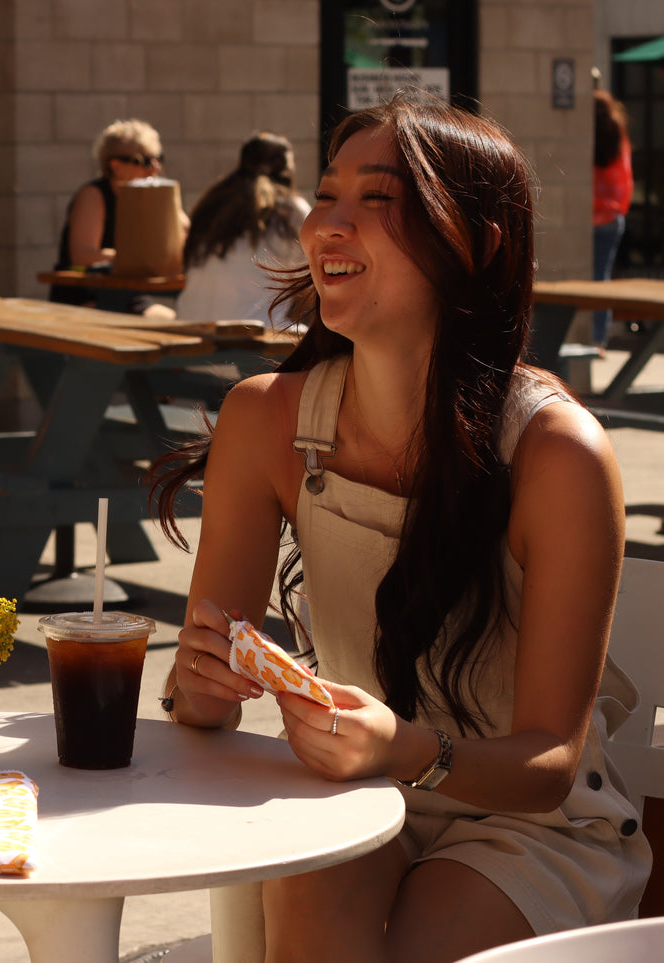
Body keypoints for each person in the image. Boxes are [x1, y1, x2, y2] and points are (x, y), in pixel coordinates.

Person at [150, 92, 649, 962]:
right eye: (327, 193)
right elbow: (202, 702)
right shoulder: (263, 421)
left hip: (530, 823)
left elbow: (548, 764)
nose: (325, 224)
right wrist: (197, 686)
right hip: (353, 789)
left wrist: (406, 748)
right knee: (308, 899)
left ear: (474, 244)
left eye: (377, 198)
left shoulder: (555, 453)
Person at [175, 131, 310, 331]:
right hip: (252, 336)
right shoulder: (290, 210)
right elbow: (312, 282)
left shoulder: (212, 203)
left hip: (190, 328)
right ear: (286, 168)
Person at [48, 118, 189, 307]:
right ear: (116, 167)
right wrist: (139, 257)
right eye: (145, 161)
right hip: (87, 296)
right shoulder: (94, 195)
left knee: (172, 320)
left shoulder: (152, 197)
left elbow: (187, 238)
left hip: (130, 294)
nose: (155, 168)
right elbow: (82, 256)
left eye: (158, 159)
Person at [592, 89, 633, 354]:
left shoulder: (587, 134)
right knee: (602, 278)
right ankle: (598, 339)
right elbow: (625, 174)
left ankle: (585, 336)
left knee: (584, 280)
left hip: (589, 214)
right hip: (612, 214)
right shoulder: (617, 133)